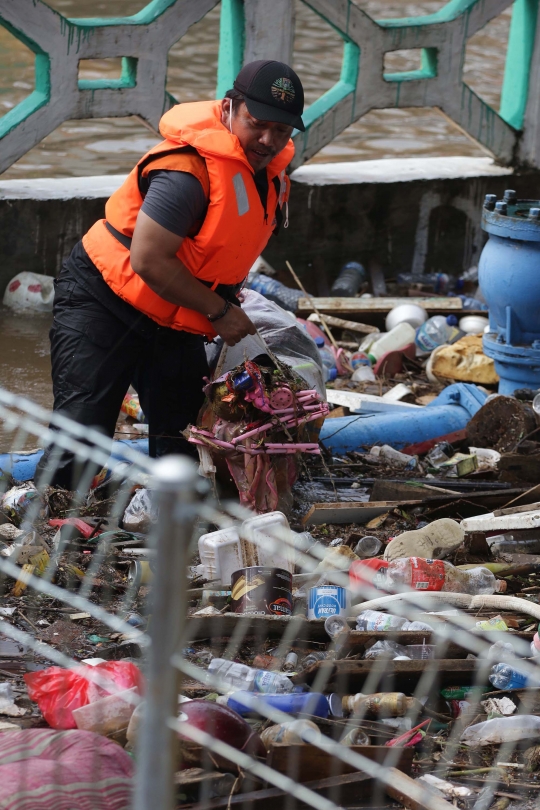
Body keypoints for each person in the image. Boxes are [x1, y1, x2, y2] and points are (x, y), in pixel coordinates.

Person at [35, 60, 305, 490]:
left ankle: (169, 530)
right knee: (82, 433)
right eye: (258, 124)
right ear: (230, 108)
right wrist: (220, 312)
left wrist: (225, 303)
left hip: (177, 314)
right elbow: (149, 260)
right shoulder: (188, 172)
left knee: (183, 441)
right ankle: (48, 524)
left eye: (284, 132)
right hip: (105, 298)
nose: (269, 140)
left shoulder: (266, 174)